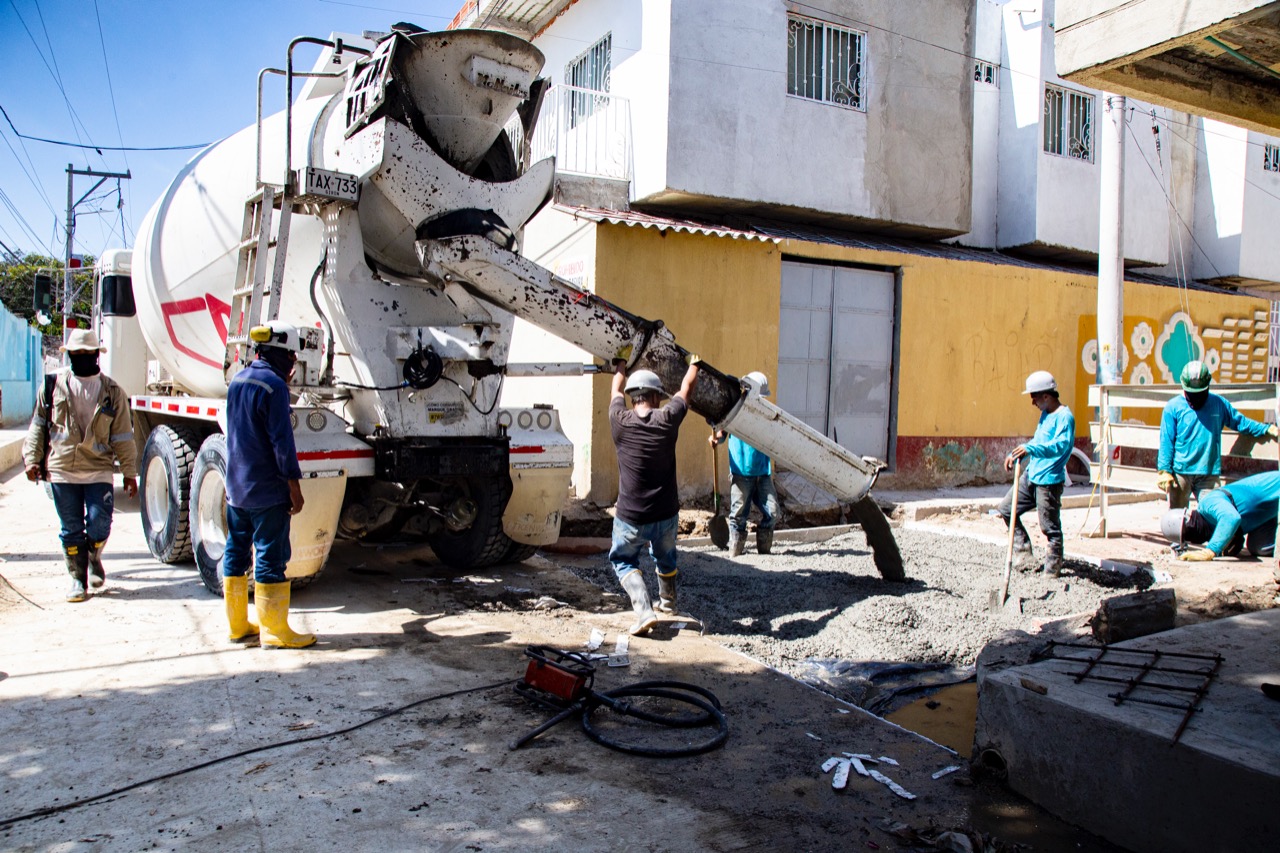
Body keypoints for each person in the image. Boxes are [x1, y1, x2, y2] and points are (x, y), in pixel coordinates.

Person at [22, 328, 138, 602]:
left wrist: (129, 473)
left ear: (96, 355)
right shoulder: (53, 386)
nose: (82, 357)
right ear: (70, 355)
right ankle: (78, 579)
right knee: (71, 529)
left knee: (100, 524)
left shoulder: (112, 392)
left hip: (98, 469)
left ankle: (93, 555)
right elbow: (38, 425)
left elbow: (123, 436)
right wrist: (31, 459)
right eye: (77, 353)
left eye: (87, 353)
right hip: (62, 470)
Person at [222, 321, 313, 648]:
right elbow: (281, 443)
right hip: (267, 490)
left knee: (235, 551)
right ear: (282, 355)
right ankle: (274, 631)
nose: (293, 364)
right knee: (270, 556)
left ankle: (238, 626)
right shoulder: (274, 387)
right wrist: (294, 486)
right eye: (291, 357)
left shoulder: (238, 381)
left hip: (237, 489)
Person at [608, 355, 700, 634]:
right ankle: (668, 604)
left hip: (631, 516)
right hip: (665, 513)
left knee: (623, 561)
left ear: (633, 396)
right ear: (656, 396)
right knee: (665, 556)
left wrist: (621, 365)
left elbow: (615, 389)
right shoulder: (667, 419)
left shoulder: (619, 420)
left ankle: (644, 611)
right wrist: (695, 364)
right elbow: (686, 389)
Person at [1157, 360, 1277, 508]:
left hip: (1208, 475)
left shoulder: (1218, 404)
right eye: (1192, 393)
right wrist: (1164, 470)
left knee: (1213, 514)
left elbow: (1240, 422)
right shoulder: (1173, 407)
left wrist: (1265, 429)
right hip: (1181, 473)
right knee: (1177, 517)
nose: (1196, 398)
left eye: (1199, 393)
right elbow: (1167, 441)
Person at [997, 370, 1076, 577]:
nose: (1032, 402)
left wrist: (1030, 449)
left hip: (1049, 481)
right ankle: (1024, 555)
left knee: (1049, 527)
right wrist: (1018, 453)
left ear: (1046, 396)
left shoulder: (1065, 418)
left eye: (1034, 397)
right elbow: (1038, 441)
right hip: (1031, 475)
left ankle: (1052, 569)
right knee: (1007, 509)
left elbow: (1059, 446)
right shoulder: (1045, 415)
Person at [709, 371, 778, 557]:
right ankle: (736, 552)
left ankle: (764, 552)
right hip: (741, 473)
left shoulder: (767, 415)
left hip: (763, 473)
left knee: (772, 512)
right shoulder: (735, 413)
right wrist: (716, 439)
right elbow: (722, 433)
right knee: (738, 515)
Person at [1160, 470, 1280, 562]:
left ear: (1189, 518)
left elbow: (1231, 518)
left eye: (1188, 532)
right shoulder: (1213, 526)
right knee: (1260, 547)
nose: (1192, 538)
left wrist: (1212, 549)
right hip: (1269, 511)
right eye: (1187, 538)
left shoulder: (1208, 503)